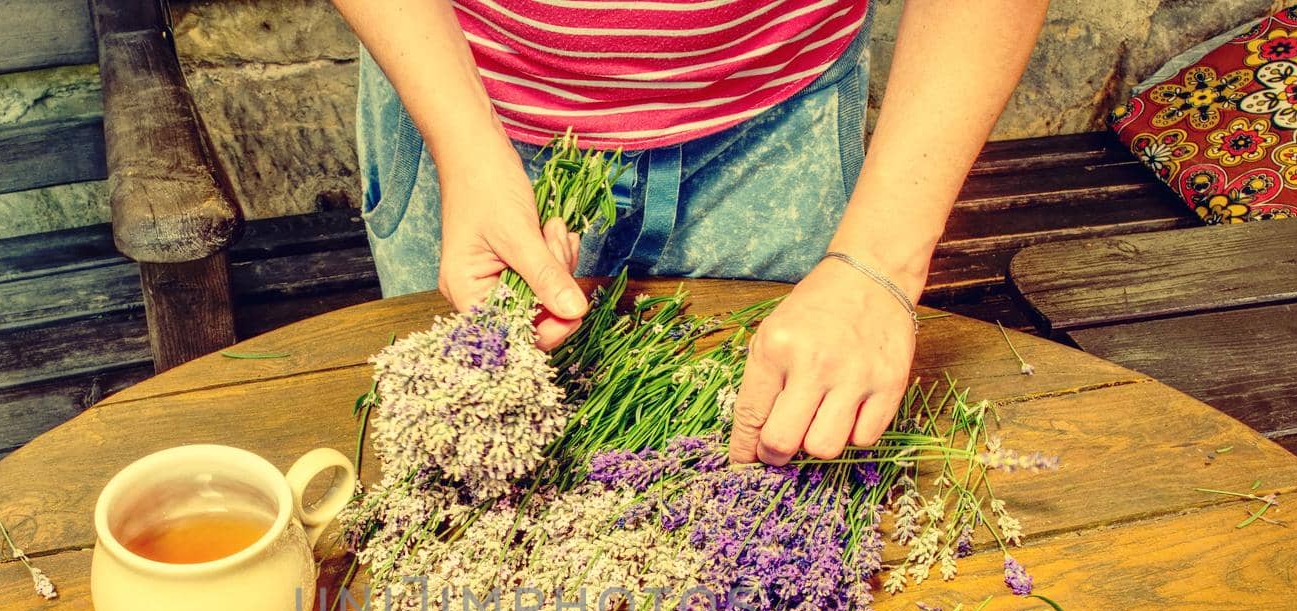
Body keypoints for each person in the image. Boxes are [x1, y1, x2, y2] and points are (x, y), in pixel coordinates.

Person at [328, 1, 1049, 464]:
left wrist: (878, 261)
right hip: (459, 101)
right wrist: (464, 139)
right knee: (463, 470)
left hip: (774, 134)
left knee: (778, 469)